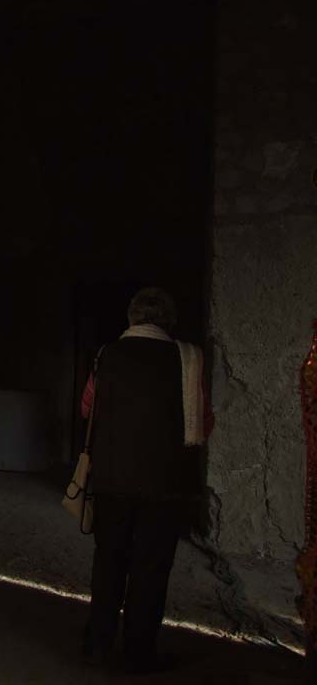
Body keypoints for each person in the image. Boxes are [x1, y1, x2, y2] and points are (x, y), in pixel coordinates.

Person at [80, 287, 213, 673]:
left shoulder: (108, 355)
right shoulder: (188, 359)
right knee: (151, 566)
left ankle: (98, 642)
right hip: (165, 482)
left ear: (132, 318)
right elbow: (203, 425)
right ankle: (138, 652)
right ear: (169, 321)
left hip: (112, 478)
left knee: (109, 560)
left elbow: (88, 407)